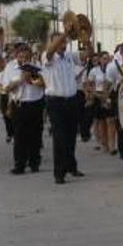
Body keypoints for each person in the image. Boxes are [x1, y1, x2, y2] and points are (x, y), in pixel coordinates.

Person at [41, 21, 87, 185]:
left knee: (71, 136)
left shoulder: (69, 56)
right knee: (59, 137)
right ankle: (59, 173)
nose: (63, 45)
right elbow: (50, 51)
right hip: (55, 102)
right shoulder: (48, 57)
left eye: (65, 43)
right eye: (60, 42)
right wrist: (65, 33)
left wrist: (86, 37)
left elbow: (86, 55)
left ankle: (71, 167)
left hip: (71, 100)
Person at [0, 43, 46, 174]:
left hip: (36, 103)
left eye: (26, 57)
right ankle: (19, 164)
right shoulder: (10, 67)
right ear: (16, 56)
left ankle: (34, 163)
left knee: (36, 135)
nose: (23, 59)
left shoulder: (37, 65)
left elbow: (46, 84)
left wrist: (34, 78)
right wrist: (20, 80)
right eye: (21, 56)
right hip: (19, 104)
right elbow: (5, 88)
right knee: (19, 136)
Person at [0, 52, 15, 143]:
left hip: (10, 95)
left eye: (0, 62)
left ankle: (13, 134)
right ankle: (9, 133)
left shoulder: (8, 71)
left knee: (11, 115)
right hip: (2, 95)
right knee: (5, 116)